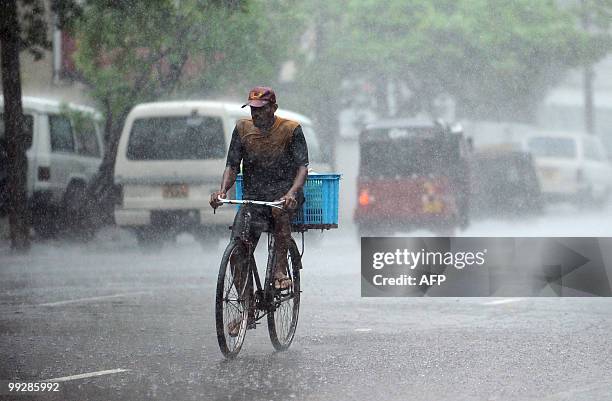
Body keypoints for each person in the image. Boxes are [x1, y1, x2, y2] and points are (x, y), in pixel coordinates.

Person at [209, 87, 309, 334]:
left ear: (273, 108)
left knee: (280, 214)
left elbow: (302, 168)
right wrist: (222, 191)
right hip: (253, 199)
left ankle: (279, 270)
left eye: (261, 109)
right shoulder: (242, 130)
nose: (256, 115)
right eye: (253, 110)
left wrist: (291, 193)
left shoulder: (291, 130)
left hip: (285, 197)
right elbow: (232, 166)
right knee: (237, 250)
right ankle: (248, 308)